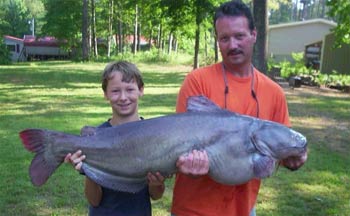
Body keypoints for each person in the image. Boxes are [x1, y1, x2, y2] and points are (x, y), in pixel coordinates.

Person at [171, 1, 308, 216]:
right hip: (192, 210)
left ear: (254, 35)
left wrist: (293, 160)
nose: (232, 45)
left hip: (243, 210)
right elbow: (180, 145)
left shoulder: (274, 93)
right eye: (224, 38)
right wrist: (190, 163)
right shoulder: (197, 81)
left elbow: (279, 150)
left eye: (239, 36)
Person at [64, 61, 166, 216]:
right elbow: (94, 200)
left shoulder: (154, 135)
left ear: (141, 90)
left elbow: (156, 195)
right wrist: (89, 170)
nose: (123, 97)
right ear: (105, 94)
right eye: (115, 91)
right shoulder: (96, 137)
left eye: (130, 89)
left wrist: (157, 183)